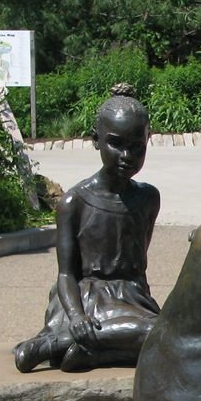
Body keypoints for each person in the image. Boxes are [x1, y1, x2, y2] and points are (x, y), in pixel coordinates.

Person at [14, 84, 161, 372]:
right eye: (116, 144)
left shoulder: (148, 199)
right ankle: (64, 339)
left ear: (148, 140)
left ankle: (84, 351)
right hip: (85, 300)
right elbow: (66, 274)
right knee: (159, 335)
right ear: (96, 140)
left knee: (173, 339)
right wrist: (77, 317)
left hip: (132, 299)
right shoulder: (74, 202)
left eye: (137, 146)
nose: (127, 156)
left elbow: (137, 269)